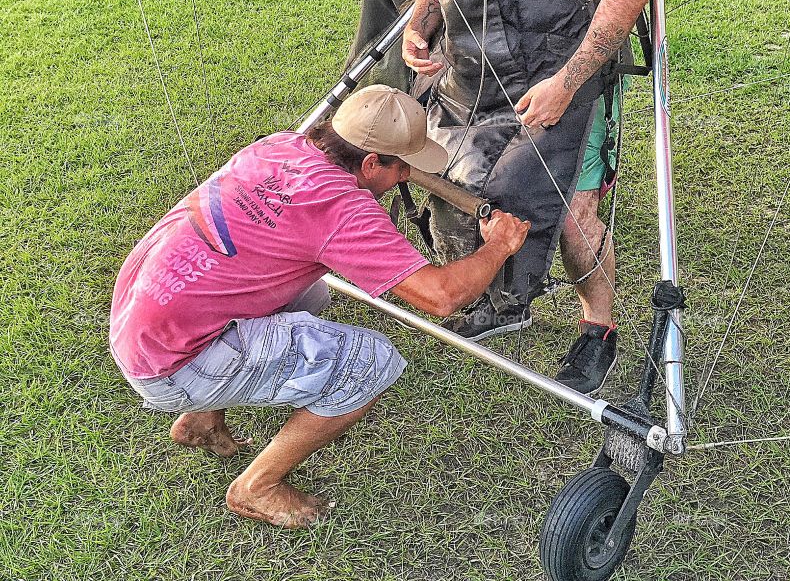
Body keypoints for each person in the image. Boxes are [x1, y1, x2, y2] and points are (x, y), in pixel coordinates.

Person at [109, 86, 529, 529]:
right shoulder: (342, 210)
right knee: (371, 363)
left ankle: (201, 419)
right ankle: (257, 487)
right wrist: (498, 246)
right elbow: (442, 297)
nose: (407, 176)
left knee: (310, 294)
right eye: (401, 166)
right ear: (371, 163)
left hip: (136, 323)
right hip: (170, 367)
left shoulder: (280, 146)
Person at [402, 0, 648, 395]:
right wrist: (421, 24)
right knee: (456, 188)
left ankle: (599, 328)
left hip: (557, 77)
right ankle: (505, 300)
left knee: (570, 216)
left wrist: (567, 83)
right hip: (472, 74)